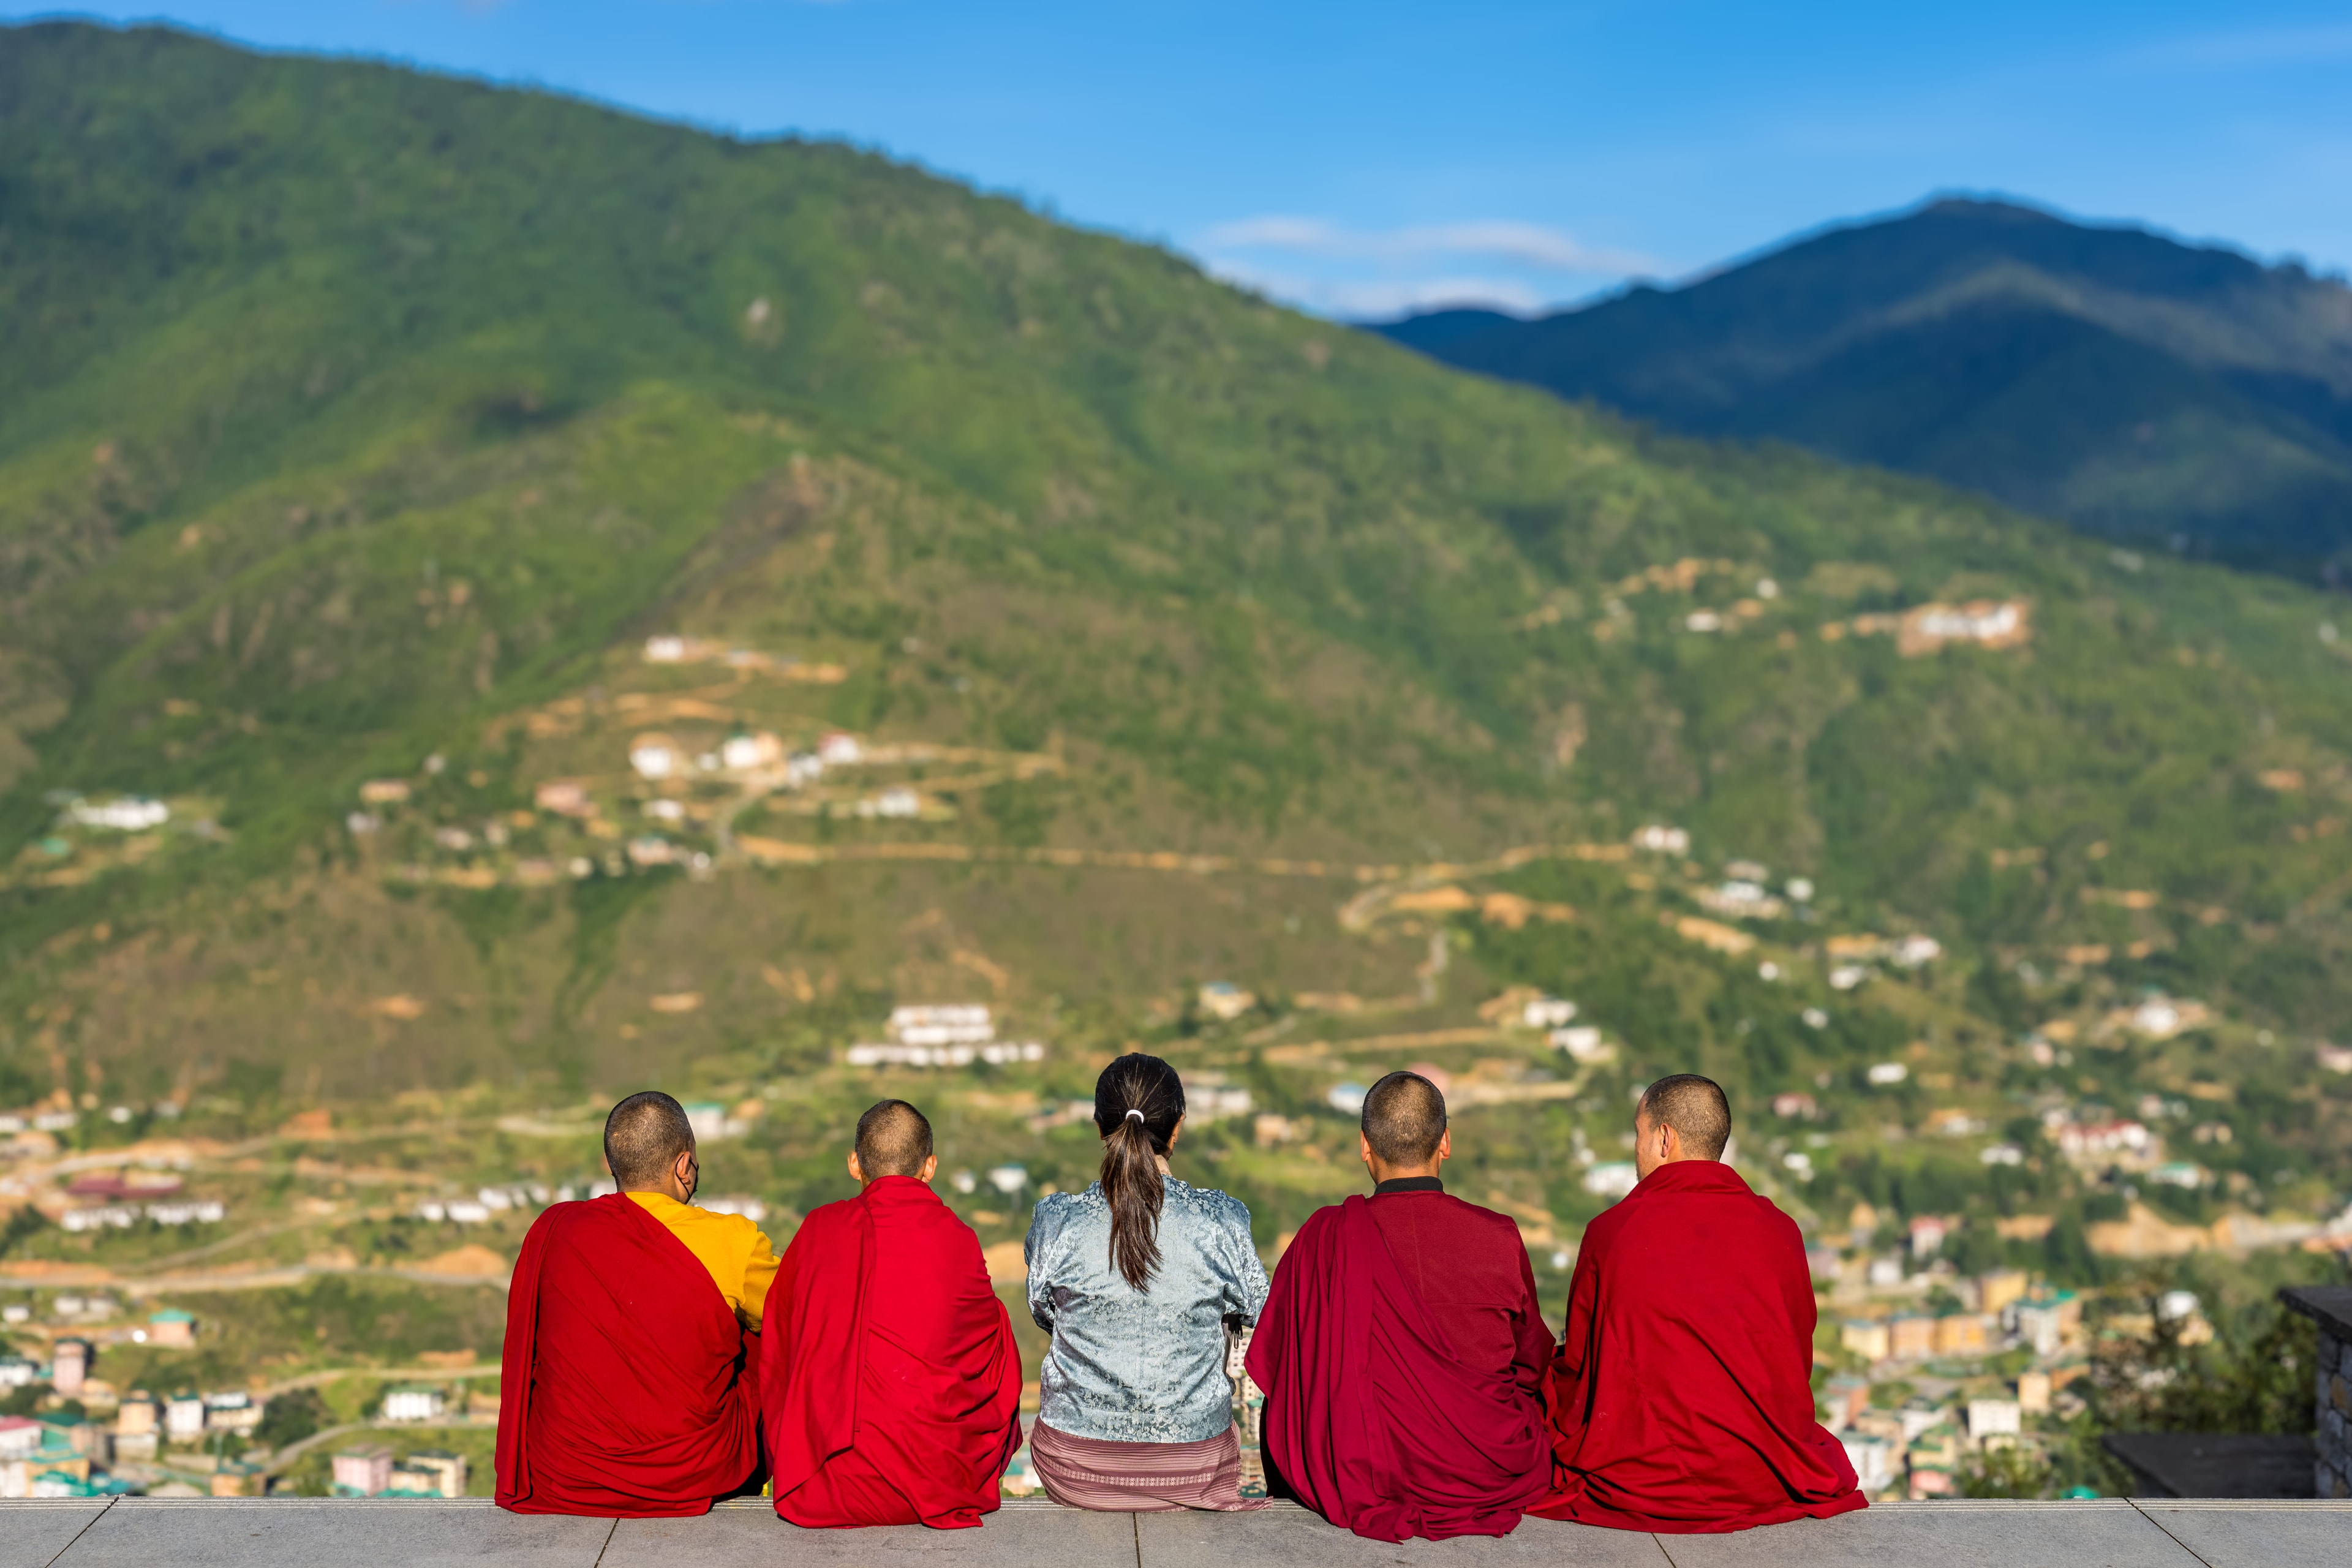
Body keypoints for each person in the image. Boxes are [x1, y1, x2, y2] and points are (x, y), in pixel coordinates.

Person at [1529, 1073, 1866, 1532]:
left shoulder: (1613, 1232)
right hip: (1762, 1473)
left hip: (1641, 1477)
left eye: (1638, 1133)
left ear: (1665, 1138)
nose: (1636, 1147)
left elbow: (1581, 1371)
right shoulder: (1780, 1229)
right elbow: (1794, 1355)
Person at [1246, 1071, 1553, 1540]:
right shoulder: (1498, 1236)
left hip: (1354, 1469)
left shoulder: (1323, 1239)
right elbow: (1533, 1363)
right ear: (1445, 1142)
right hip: (1484, 1466)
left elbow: (1275, 1364)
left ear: (1365, 1147)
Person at [497, 1091, 766, 1516]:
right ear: (684, 1164)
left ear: (612, 1165)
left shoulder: (558, 1230)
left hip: (567, 1473)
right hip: (690, 1473)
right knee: (768, 1342)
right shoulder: (734, 1239)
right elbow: (797, 1315)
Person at [1022, 1054, 1270, 1512]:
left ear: (1100, 1127)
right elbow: (1258, 1308)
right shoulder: (1222, 1220)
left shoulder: (1057, 1221)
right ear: (1177, 1129)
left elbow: (1044, 1312)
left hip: (1074, 1469)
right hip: (1194, 1470)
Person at [761, 1099, 1024, 1529]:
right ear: (930, 1166)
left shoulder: (820, 1230)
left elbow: (778, 1343)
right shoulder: (958, 1238)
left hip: (825, 1484)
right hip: (941, 1483)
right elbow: (990, 1359)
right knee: (997, 1321)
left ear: (854, 1163)